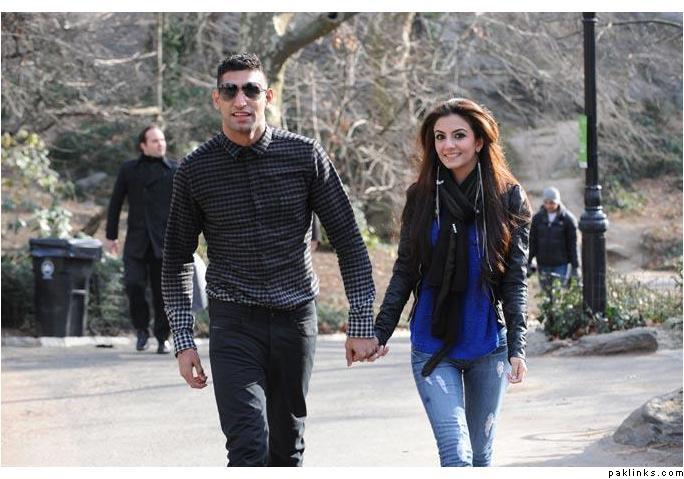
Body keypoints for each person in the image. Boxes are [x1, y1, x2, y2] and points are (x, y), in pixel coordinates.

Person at [161, 53, 380, 467]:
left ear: (268, 96)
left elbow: (349, 240)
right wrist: (183, 340)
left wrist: (361, 321)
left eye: (251, 89)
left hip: (294, 321)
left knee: (286, 449)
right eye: (230, 91)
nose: (241, 100)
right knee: (247, 448)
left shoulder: (305, 156)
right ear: (217, 99)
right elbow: (176, 259)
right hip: (233, 323)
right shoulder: (195, 169)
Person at [373, 98, 531, 467]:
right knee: (456, 455)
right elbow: (405, 269)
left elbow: (515, 279)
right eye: (440, 137)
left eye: (459, 135)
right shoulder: (421, 197)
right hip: (432, 343)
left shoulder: (508, 197)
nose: (448, 145)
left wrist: (518, 346)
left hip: (487, 343)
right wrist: (381, 331)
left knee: (480, 457)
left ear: (479, 141)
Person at [106, 125, 177, 354]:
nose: (161, 144)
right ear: (143, 146)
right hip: (136, 240)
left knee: (163, 294)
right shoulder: (129, 170)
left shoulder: (174, 170)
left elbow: (185, 207)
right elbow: (116, 203)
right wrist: (111, 236)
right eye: (155, 141)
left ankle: (162, 337)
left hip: (163, 242)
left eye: (162, 140)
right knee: (133, 285)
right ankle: (141, 330)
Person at [528, 186, 579, 290]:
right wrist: (528, 261)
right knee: (546, 294)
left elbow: (573, 245)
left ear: (558, 202)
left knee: (557, 293)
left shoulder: (568, 220)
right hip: (543, 264)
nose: (549, 205)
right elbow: (532, 241)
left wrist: (576, 267)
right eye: (546, 202)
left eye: (552, 203)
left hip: (560, 265)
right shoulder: (537, 219)